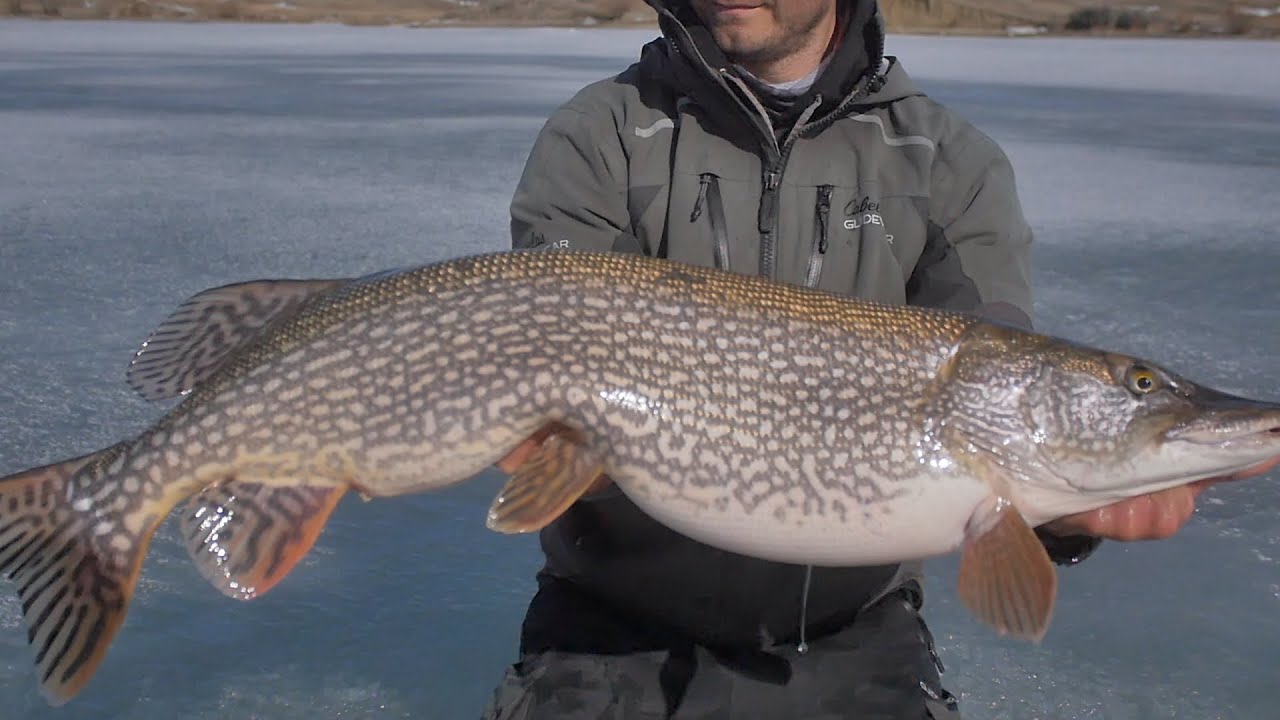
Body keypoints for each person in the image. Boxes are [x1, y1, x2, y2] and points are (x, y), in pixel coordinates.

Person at [481, 2, 1280, 718]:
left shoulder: (943, 162)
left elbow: (988, 389)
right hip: (607, 631)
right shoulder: (605, 134)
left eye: (1139, 387)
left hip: (850, 637)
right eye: (1140, 388)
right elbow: (557, 339)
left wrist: (1059, 512)